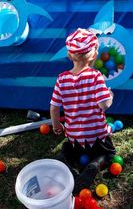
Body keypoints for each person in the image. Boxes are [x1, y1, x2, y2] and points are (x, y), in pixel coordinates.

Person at [50, 28, 116, 193]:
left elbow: (54, 107)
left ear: (70, 55)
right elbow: (104, 105)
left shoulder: (61, 79)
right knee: (109, 153)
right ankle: (95, 164)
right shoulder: (95, 76)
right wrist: (110, 96)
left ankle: (68, 163)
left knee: (67, 149)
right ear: (94, 55)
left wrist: (57, 125)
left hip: (75, 138)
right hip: (96, 136)